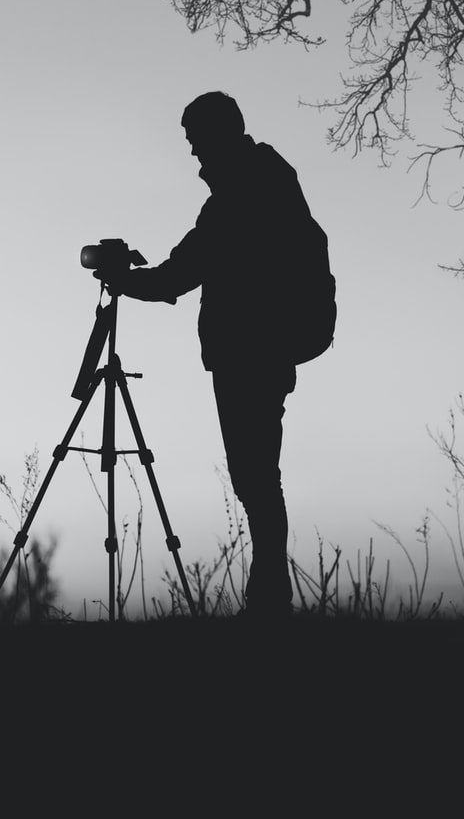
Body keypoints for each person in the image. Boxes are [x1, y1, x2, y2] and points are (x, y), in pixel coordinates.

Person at [111, 92, 334, 618]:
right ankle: (269, 599)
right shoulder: (266, 183)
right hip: (260, 348)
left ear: (219, 135)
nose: (193, 155)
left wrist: (126, 283)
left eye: (196, 142)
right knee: (257, 477)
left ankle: (269, 603)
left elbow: (181, 274)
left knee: (256, 477)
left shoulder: (241, 195)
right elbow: (186, 267)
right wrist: (141, 281)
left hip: (250, 350)